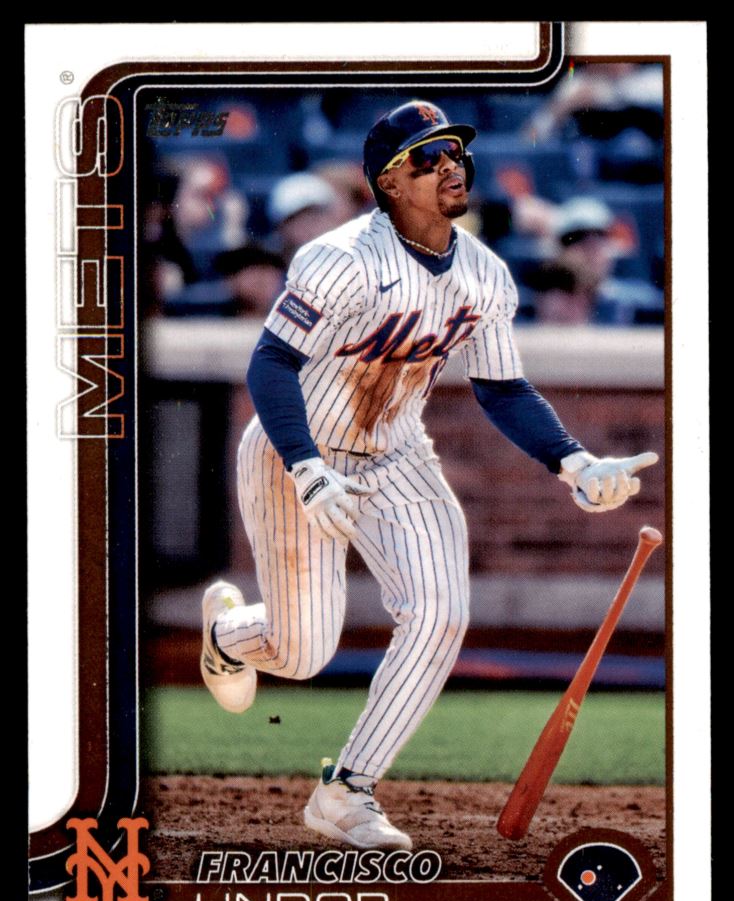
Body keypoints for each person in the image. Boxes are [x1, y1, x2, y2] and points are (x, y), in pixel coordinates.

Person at [199, 100, 658, 851]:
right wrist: (307, 468)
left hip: (396, 454)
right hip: (294, 451)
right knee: (303, 653)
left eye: (454, 152)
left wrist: (572, 460)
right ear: (387, 182)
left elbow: (501, 387)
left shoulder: (484, 272)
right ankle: (228, 634)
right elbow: (271, 364)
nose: (449, 165)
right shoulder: (340, 258)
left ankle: (348, 791)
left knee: (440, 611)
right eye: (426, 157)